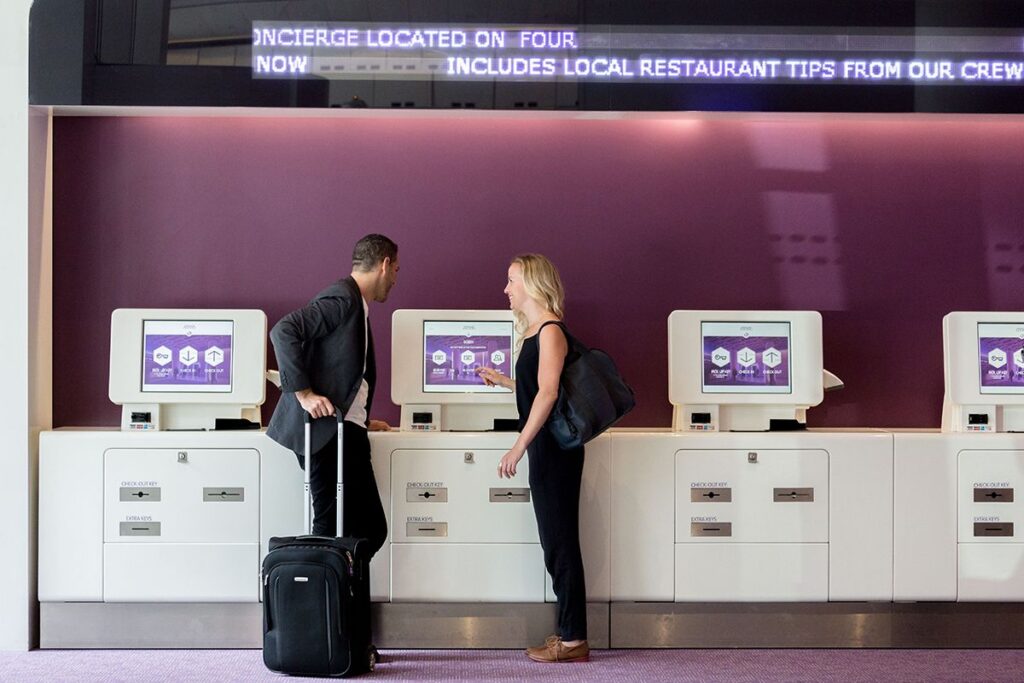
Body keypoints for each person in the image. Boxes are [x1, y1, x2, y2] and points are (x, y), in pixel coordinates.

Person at [477, 254, 589, 664]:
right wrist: (505, 380)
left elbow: (548, 394)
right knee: (553, 543)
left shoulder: (551, 331)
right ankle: (568, 631)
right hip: (545, 448)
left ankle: (574, 639)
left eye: (511, 281)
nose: (506, 290)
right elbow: (535, 386)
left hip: (554, 451)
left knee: (560, 544)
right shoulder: (536, 333)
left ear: (532, 283)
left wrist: (518, 445)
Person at [266, 233, 398, 554]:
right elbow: (283, 331)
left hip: (344, 430)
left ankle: (344, 600)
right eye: (395, 269)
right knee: (332, 529)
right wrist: (304, 393)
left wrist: (361, 417)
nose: (395, 279)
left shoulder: (354, 304)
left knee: (360, 530)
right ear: (383, 265)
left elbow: (343, 371)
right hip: (327, 434)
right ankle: (325, 601)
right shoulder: (343, 299)